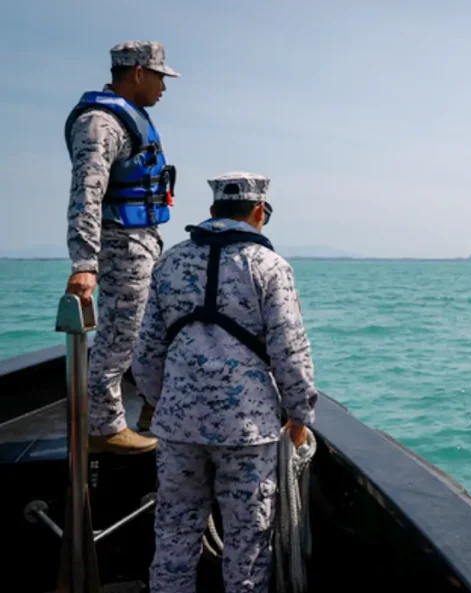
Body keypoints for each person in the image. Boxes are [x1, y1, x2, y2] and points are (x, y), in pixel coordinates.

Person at [131, 171, 319, 593]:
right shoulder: (271, 266)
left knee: (174, 533)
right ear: (259, 213)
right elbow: (291, 350)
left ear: (213, 211)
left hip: (178, 427)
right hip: (247, 431)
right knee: (248, 543)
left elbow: (145, 353)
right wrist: (299, 414)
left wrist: (163, 402)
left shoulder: (170, 263)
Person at [64, 40, 180, 454]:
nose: (163, 87)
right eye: (159, 77)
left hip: (144, 240)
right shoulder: (100, 123)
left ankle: (152, 408)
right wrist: (84, 261)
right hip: (120, 243)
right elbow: (86, 193)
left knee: (153, 328)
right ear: (137, 73)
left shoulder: (130, 120)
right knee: (120, 335)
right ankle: (104, 426)